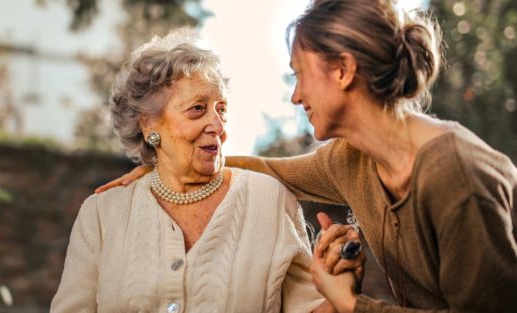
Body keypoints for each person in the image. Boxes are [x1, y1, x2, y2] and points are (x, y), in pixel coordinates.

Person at [95, 1, 517, 312]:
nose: (295, 96)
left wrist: (351, 305)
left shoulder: (456, 176)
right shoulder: (351, 160)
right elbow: (266, 168)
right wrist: (165, 167)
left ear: (343, 70)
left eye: (299, 74)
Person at [51, 28, 364, 313]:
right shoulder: (102, 214)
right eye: (197, 109)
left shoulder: (269, 200)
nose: (217, 126)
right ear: (148, 125)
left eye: (222, 109)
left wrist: (340, 288)